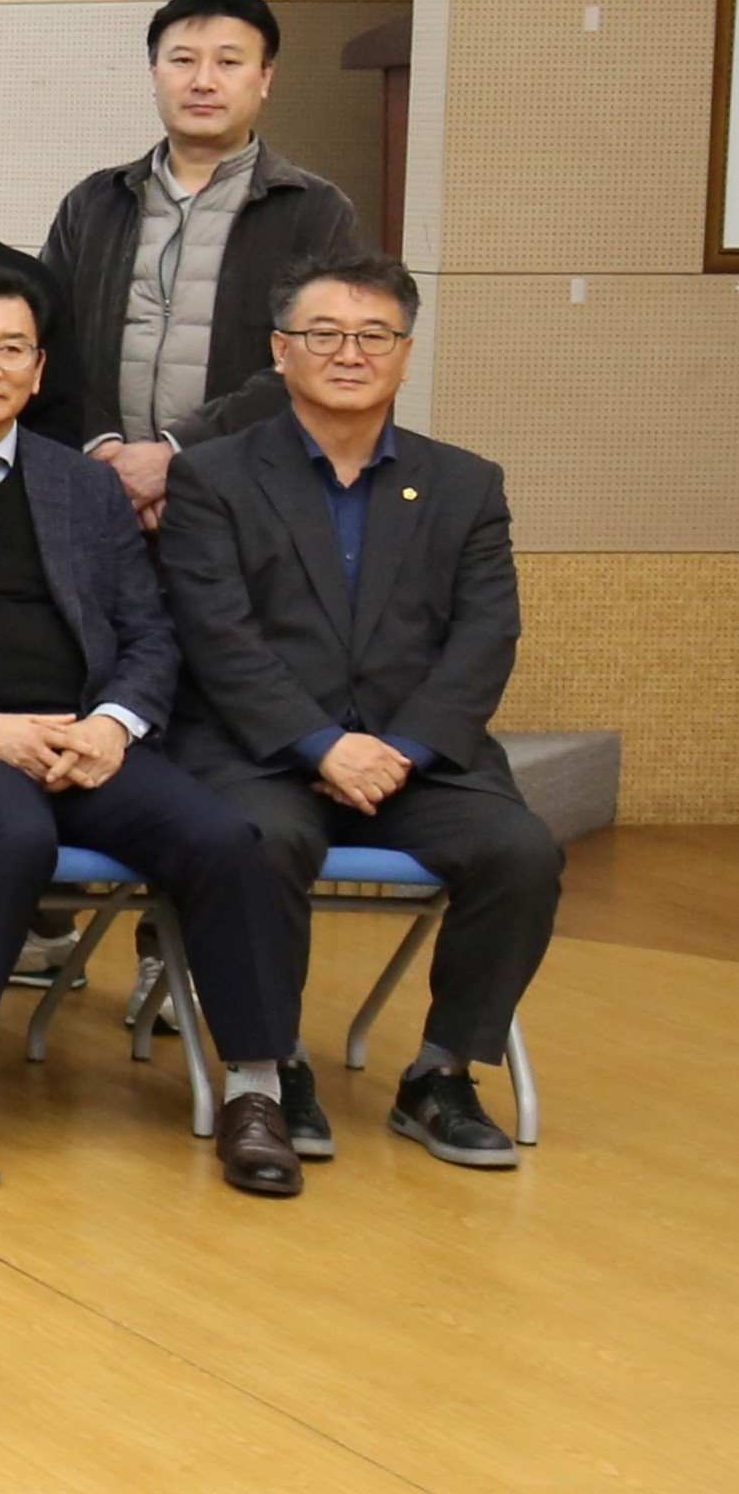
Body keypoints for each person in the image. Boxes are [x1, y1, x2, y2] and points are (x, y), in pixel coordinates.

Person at [0, 263, 314, 1193]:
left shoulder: (82, 485)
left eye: (10, 349)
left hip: (84, 739)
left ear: (39, 370)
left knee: (222, 836)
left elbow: (149, 629)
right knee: (10, 832)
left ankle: (255, 1088)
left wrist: (114, 724)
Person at [156, 257, 550, 1171]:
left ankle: (441, 1074)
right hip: (260, 751)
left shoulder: (465, 484)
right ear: (278, 351)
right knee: (258, 842)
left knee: (519, 851)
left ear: (404, 353)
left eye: (374, 335)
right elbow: (214, 635)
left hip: (415, 758)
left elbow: (485, 636)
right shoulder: (212, 478)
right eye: (323, 334)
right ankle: (273, 1067)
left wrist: (400, 749)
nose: (349, 353)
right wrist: (320, 745)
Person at [32, 0, 372, 519]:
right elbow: (43, 335)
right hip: (100, 491)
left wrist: (176, 454)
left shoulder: (314, 210)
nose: (203, 81)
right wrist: (105, 449)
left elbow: (321, 356)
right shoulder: (95, 202)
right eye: (183, 60)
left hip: (248, 500)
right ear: (154, 73)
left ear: (265, 78)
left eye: (229, 62)